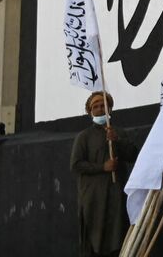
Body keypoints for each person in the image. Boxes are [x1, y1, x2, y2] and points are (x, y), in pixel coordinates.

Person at [70, 91, 136, 257]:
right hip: (94, 199)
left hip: (116, 196)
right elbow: (76, 164)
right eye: (96, 106)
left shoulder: (119, 132)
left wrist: (116, 141)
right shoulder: (83, 137)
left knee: (117, 237)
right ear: (90, 111)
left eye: (103, 105)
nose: (100, 109)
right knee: (94, 240)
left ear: (110, 108)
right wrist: (102, 167)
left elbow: (133, 155)